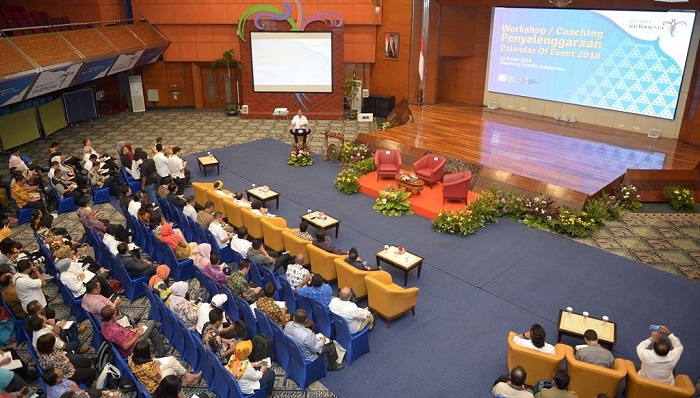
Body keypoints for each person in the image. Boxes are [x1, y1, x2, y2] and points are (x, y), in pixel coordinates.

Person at [129, 340, 201, 394]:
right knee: (172, 371)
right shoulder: (147, 367)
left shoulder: (132, 358)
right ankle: (178, 391)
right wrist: (157, 365)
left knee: (172, 360)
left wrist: (153, 362)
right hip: (152, 385)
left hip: (149, 372)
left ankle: (188, 376)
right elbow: (158, 377)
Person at [101, 305, 167, 357]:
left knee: (152, 330)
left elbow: (122, 331)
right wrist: (137, 336)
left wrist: (131, 329)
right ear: (113, 315)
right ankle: (158, 325)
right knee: (151, 322)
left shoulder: (105, 325)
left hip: (132, 336)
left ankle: (161, 350)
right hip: (135, 345)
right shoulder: (115, 331)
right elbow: (126, 347)